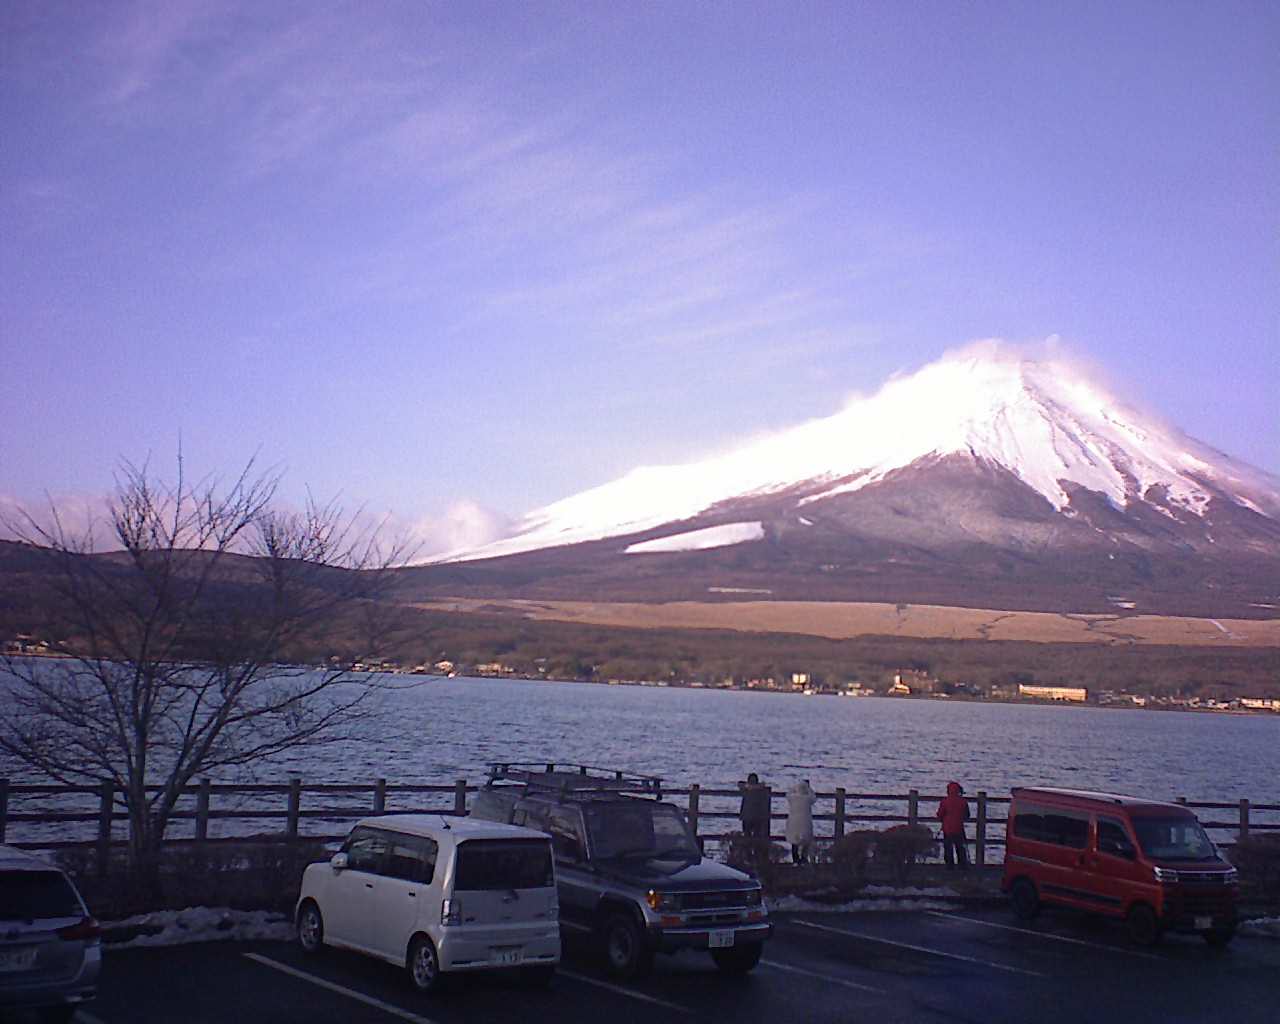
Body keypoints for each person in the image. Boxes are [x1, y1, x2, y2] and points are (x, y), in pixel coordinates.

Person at [936, 781, 971, 869]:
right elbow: (967, 815)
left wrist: (943, 820)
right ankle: (962, 865)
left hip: (947, 828)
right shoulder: (963, 801)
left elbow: (940, 814)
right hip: (959, 827)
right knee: (960, 847)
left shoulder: (945, 801)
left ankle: (949, 866)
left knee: (948, 847)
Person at [785, 779, 817, 864]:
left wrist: (794, 787)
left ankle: (795, 860)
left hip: (793, 823)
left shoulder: (793, 798)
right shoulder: (808, 799)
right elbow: (814, 798)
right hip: (805, 823)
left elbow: (787, 794)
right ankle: (803, 858)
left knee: (794, 842)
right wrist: (809, 788)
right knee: (806, 841)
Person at [739, 772, 770, 839]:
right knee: (749, 835)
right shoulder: (748, 789)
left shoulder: (758, 790)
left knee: (754, 836)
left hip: (754, 816)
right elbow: (740, 784)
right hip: (750, 816)